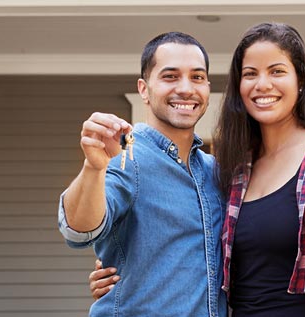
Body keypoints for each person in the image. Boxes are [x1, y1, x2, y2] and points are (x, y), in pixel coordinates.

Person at [91, 22, 305, 317]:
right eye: (250, 74)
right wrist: (123, 275)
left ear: (301, 80)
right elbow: (201, 253)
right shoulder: (235, 169)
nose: (262, 84)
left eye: (276, 71)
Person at [58, 32, 227, 317]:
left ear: (207, 87)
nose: (186, 88)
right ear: (144, 89)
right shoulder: (125, 157)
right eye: (170, 76)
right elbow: (78, 230)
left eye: (197, 77)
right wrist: (94, 167)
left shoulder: (215, 172)